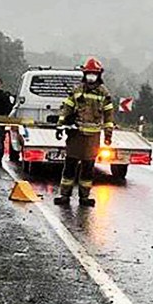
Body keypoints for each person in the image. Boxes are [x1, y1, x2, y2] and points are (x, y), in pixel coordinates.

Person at [53, 57, 115, 207]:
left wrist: (108, 135)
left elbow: (108, 116)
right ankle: (64, 195)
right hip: (75, 135)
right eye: (89, 73)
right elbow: (67, 108)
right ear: (85, 74)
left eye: (94, 73)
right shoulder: (77, 90)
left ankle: (84, 197)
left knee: (88, 169)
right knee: (69, 167)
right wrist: (60, 125)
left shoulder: (103, 93)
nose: (91, 76)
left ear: (99, 75)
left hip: (92, 138)